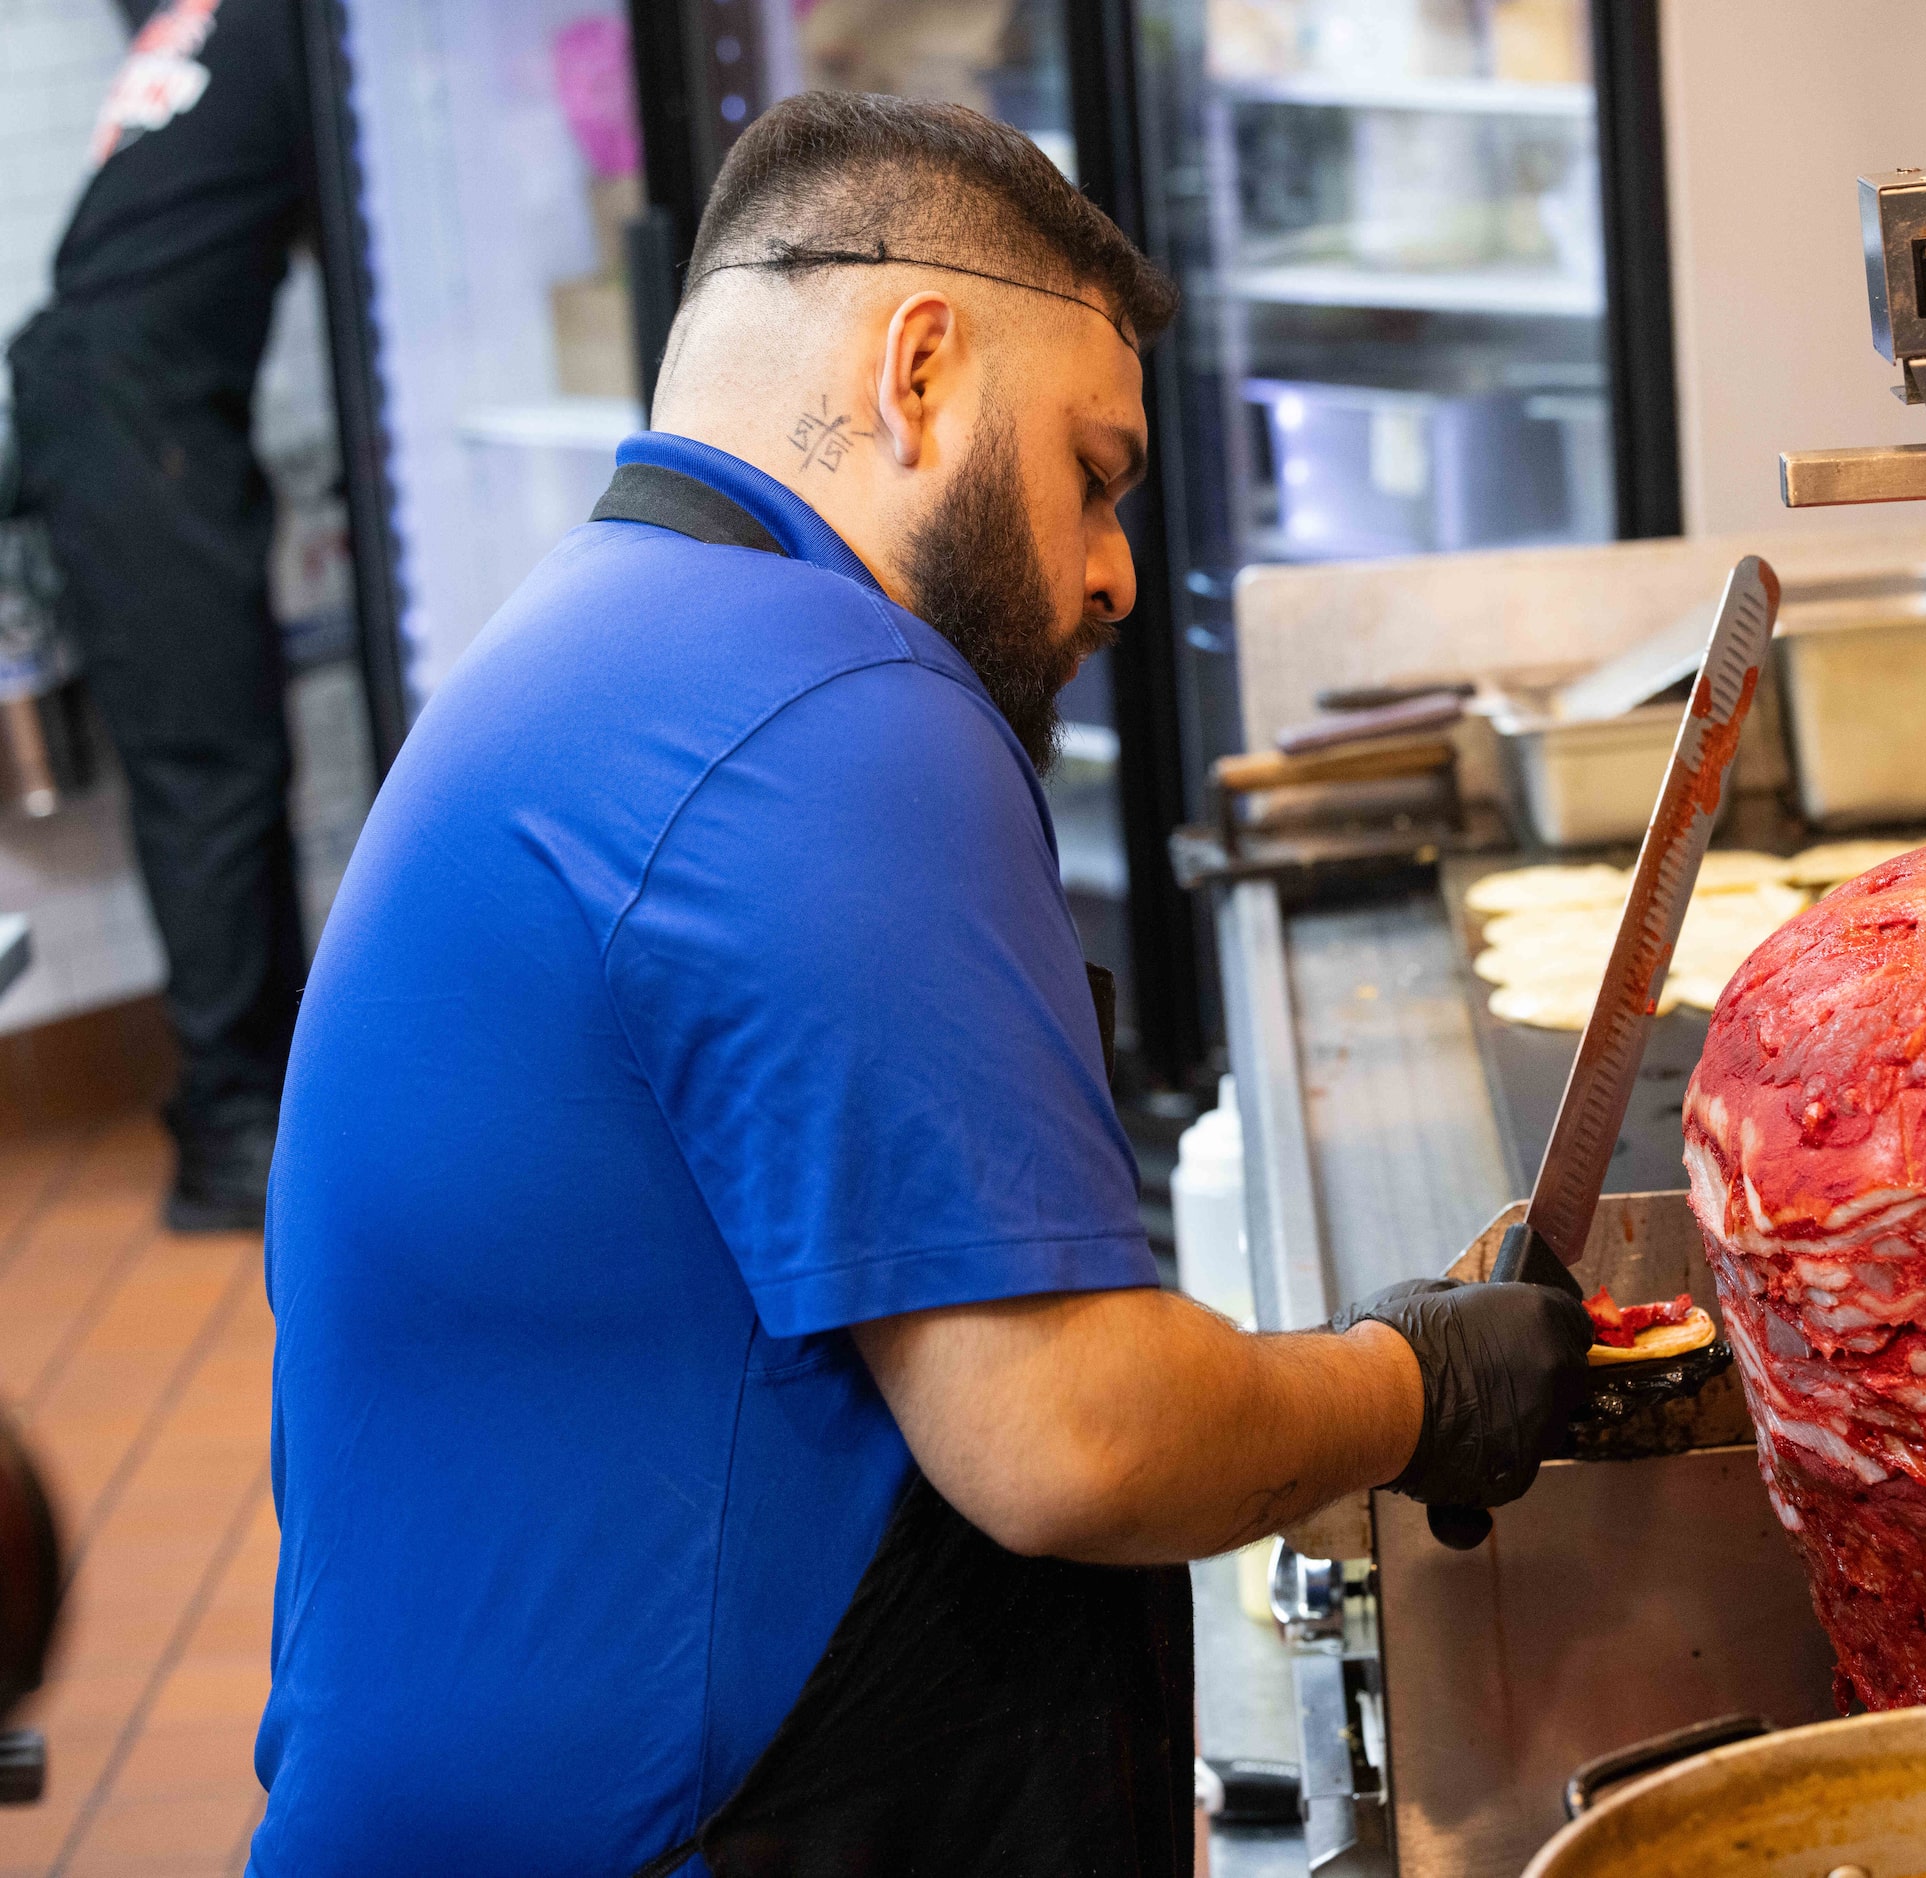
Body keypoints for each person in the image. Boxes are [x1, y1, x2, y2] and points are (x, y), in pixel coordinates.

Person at [248, 91, 1591, 1876]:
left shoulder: (617, 640)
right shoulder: (826, 713)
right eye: (1093, 471)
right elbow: (1072, 1435)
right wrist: (1416, 1383)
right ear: (924, 371)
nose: (1114, 567)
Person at [6, 0, 313, 1231]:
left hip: (107, 387)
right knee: (212, 773)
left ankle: (259, 1097)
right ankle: (230, 1133)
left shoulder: (216, 15)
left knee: (219, 763)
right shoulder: (302, 26)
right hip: (132, 408)